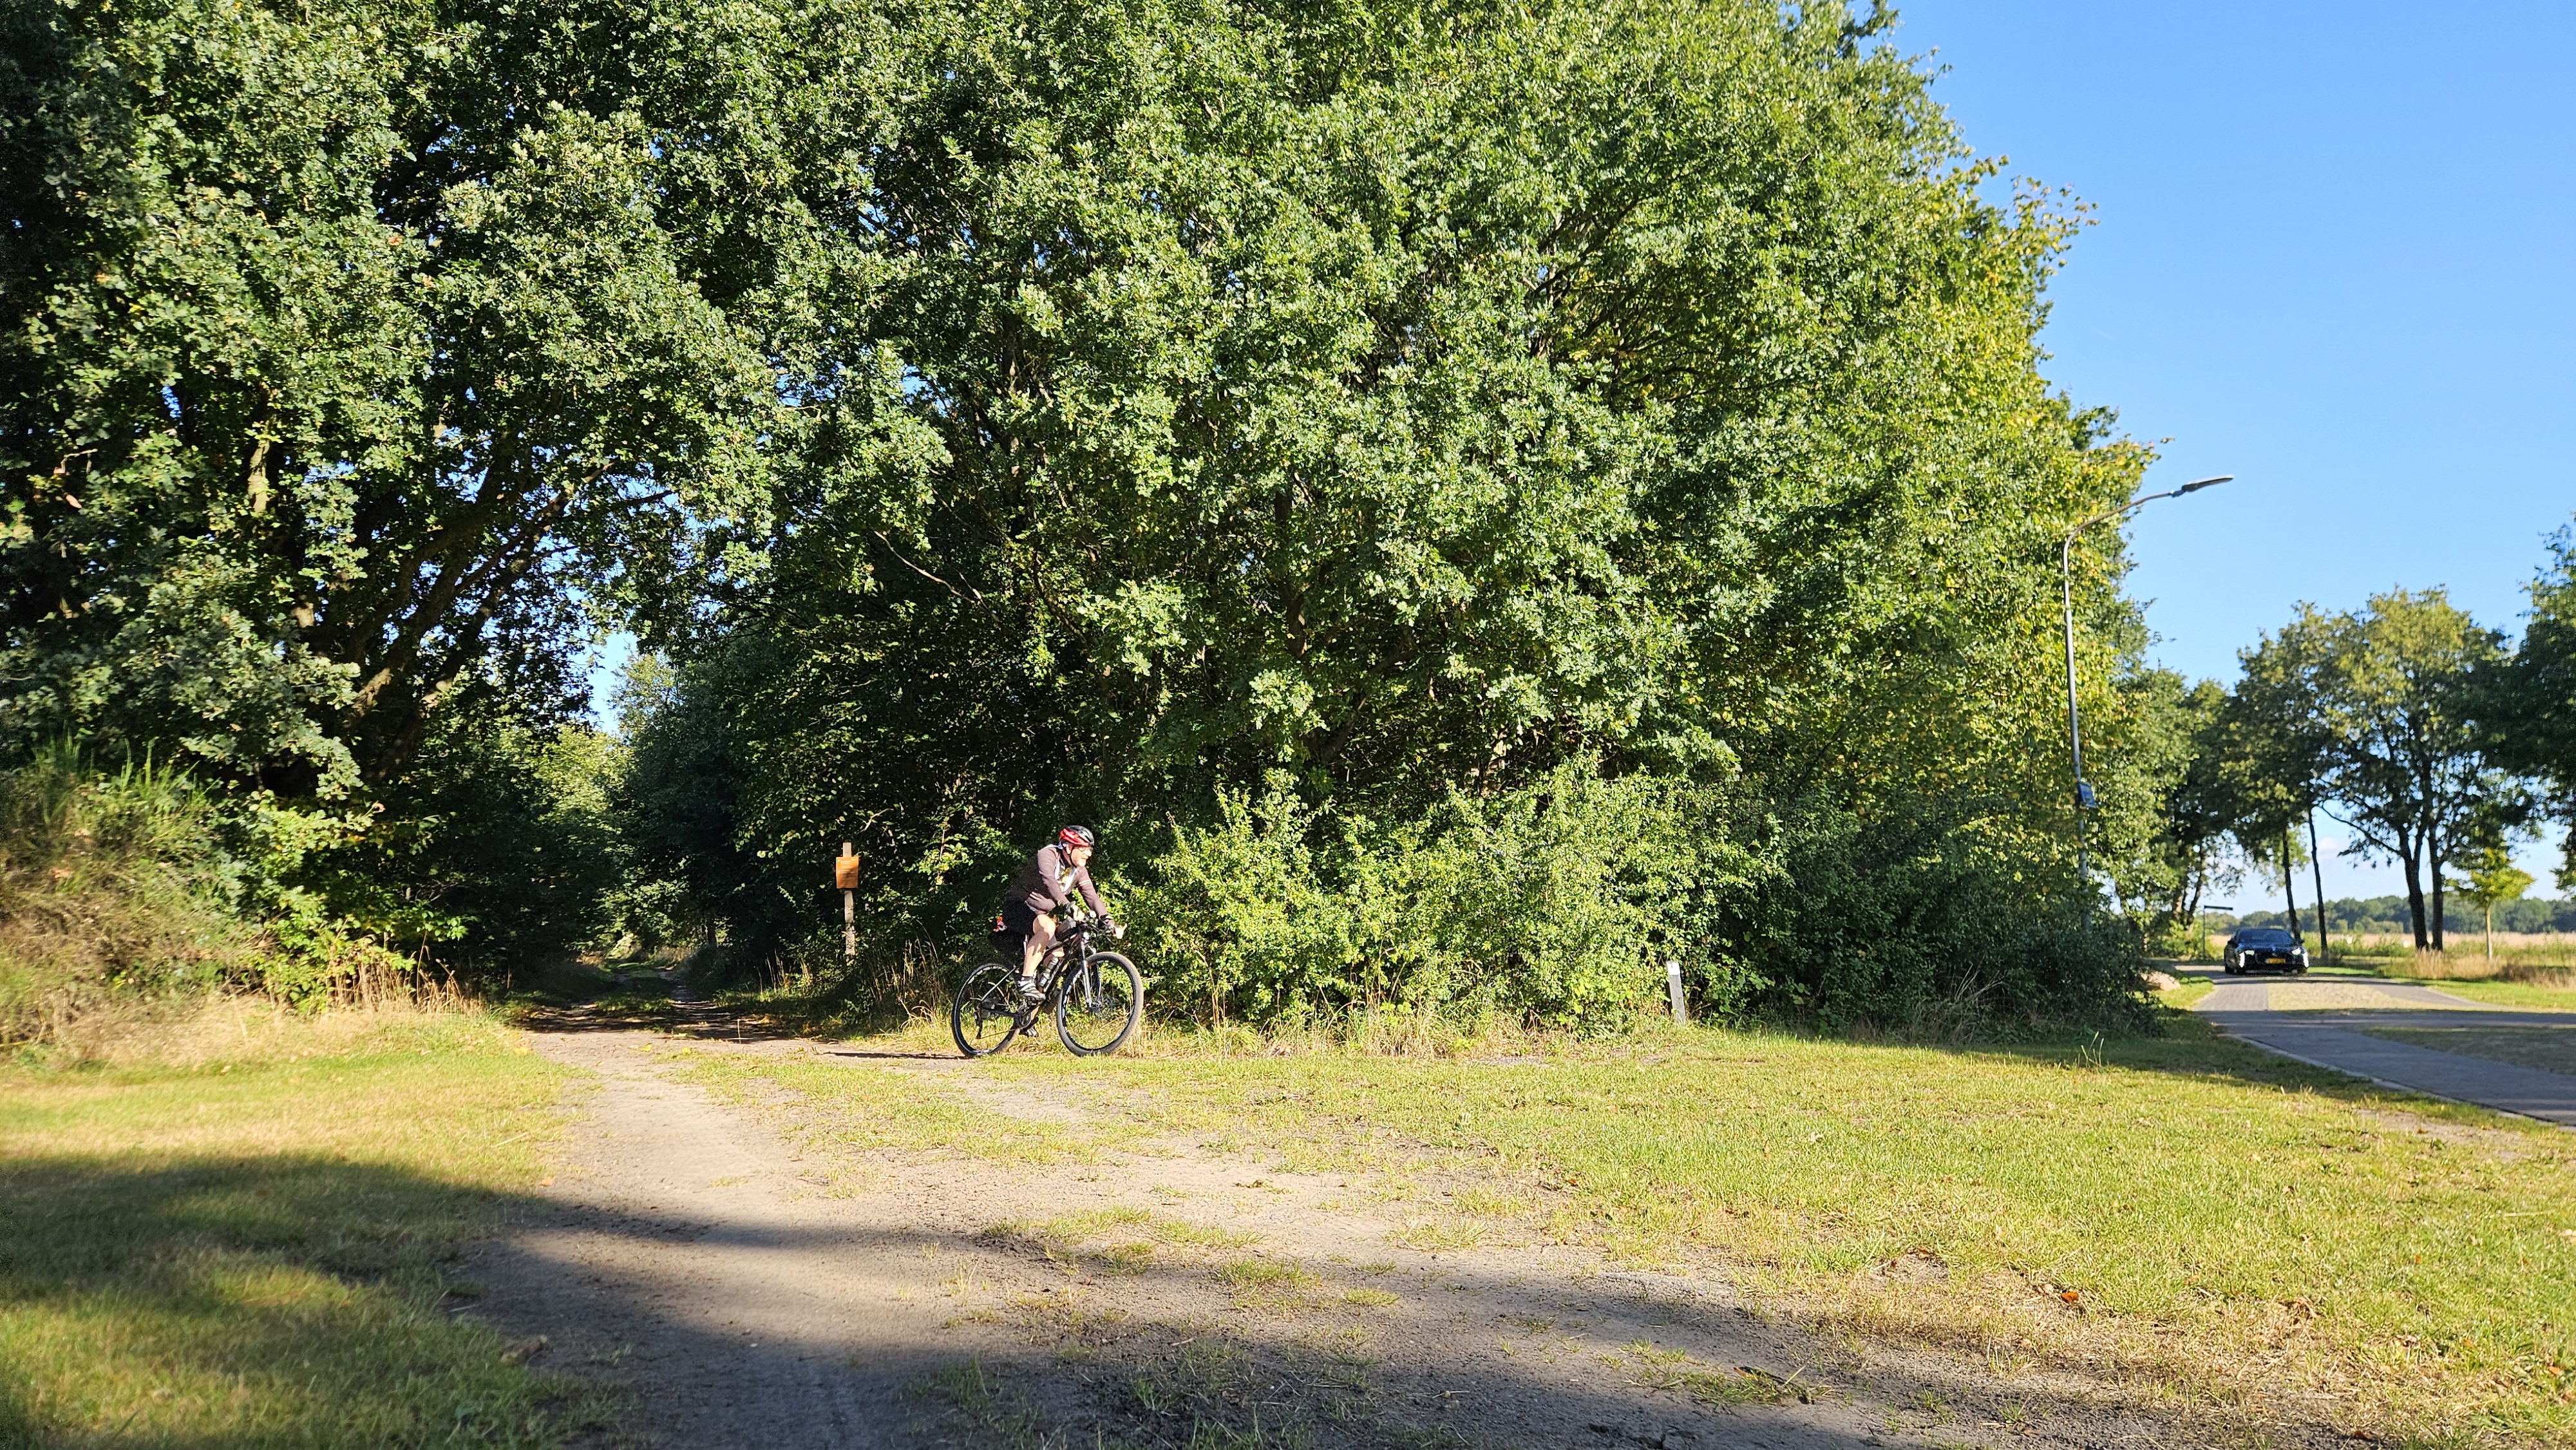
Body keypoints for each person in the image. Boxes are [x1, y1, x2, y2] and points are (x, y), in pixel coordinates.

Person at [995, 825, 1117, 1004]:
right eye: (1084, 849)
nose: (1089, 854)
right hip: (1018, 907)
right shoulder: (1048, 855)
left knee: (1057, 958)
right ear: (1070, 847)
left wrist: (1107, 920)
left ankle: (1030, 1011)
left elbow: (1091, 896)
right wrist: (1066, 904)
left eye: (1090, 850)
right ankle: (1026, 980)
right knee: (1047, 927)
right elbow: (1049, 881)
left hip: (1040, 915)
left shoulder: (1079, 871)